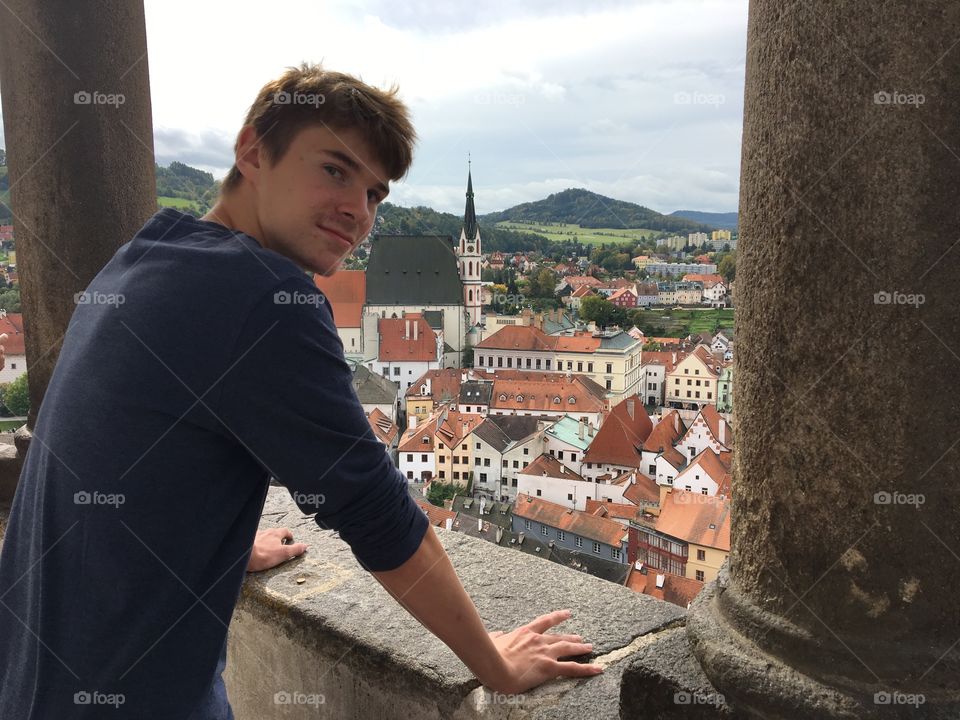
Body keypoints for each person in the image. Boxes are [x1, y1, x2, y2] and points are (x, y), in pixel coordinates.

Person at [0, 63, 602, 719]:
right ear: (253, 152)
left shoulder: (147, 253)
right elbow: (378, 515)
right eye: (336, 170)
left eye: (376, 193)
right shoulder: (263, 298)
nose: (359, 210)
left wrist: (217, 542)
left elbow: (136, 444)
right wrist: (493, 661)